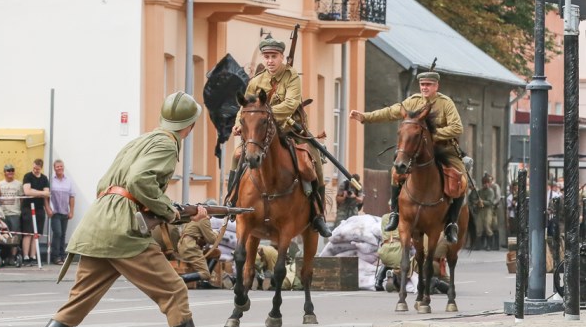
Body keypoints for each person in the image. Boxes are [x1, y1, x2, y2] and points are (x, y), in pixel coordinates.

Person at [19, 91, 243, 327]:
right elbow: (139, 181)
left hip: (99, 224)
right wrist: (168, 210)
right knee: (174, 292)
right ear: (189, 126)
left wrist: (173, 210)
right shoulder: (166, 144)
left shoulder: (140, 140)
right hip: (123, 230)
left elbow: (107, 184)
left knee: (77, 302)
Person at [229, 35, 331, 238]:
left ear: (282, 57)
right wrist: (237, 124)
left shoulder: (292, 76)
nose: (269, 61)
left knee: (312, 161)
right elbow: (245, 107)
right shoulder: (257, 81)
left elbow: (290, 104)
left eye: (273, 56)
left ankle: (318, 213)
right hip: (260, 134)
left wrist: (265, 115)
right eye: (266, 56)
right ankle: (231, 199)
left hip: (290, 130)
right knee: (237, 154)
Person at [349, 69, 465, 244]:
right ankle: (395, 213)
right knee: (396, 172)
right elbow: (390, 112)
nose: (425, 88)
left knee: (460, 178)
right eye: (422, 84)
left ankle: (451, 223)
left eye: (428, 85)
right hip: (417, 151)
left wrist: (430, 135)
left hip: (443, 149)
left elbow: (457, 128)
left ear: (436, 86)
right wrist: (365, 117)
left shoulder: (445, 103)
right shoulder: (413, 101)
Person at [177, 199, 219, 286]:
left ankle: (206, 281)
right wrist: (216, 233)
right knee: (205, 273)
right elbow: (211, 240)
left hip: (185, 245)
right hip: (190, 247)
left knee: (216, 253)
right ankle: (178, 280)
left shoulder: (195, 214)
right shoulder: (203, 218)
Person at [45, 159, 76, 265]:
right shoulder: (51, 181)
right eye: (57, 166)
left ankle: (62, 256)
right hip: (55, 211)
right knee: (57, 233)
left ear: (63, 167)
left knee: (63, 234)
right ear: (54, 168)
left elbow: (72, 197)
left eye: (61, 166)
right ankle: (56, 256)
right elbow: (46, 196)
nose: (59, 168)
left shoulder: (68, 181)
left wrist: (71, 211)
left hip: (65, 212)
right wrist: (48, 209)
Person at [21, 159, 50, 266]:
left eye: (37, 169)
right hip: (28, 208)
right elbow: (27, 192)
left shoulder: (44, 178)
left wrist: (36, 193)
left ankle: (33, 255)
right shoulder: (27, 176)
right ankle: (26, 256)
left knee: (36, 233)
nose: (35, 170)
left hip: (39, 208)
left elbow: (47, 193)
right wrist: (41, 193)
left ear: (41, 168)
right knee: (28, 233)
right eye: (34, 168)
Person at [0, 164, 23, 264]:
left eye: (12, 170)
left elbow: (21, 199)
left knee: (15, 237)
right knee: (4, 237)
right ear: (4, 172)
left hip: (15, 213)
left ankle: (13, 257)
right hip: (3, 214)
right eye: (8, 171)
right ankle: (4, 256)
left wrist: (18, 210)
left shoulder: (19, 184)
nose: (10, 172)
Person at [469, 176, 495, 251]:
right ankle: (478, 245)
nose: (485, 184)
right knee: (478, 227)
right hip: (480, 210)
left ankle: (489, 245)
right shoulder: (479, 191)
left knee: (487, 226)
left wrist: (482, 201)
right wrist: (477, 201)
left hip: (488, 210)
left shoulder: (490, 191)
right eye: (484, 183)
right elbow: (473, 199)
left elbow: (490, 202)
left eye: (487, 183)